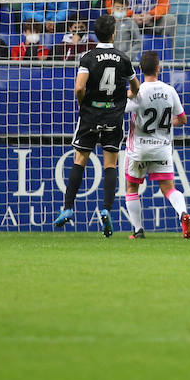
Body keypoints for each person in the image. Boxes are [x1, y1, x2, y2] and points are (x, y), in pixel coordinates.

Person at [52, 15, 139, 236]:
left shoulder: (87, 57)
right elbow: (135, 86)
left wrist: (84, 105)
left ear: (95, 34)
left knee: (80, 159)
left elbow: (79, 88)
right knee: (110, 164)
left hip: (91, 114)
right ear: (113, 34)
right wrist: (126, 96)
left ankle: (68, 208)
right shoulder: (122, 58)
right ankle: (106, 210)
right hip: (113, 116)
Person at [119, 51, 190, 239]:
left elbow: (120, 109)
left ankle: (138, 230)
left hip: (139, 150)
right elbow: (183, 119)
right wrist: (167, 123)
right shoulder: (170, 90)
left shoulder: (139, 92)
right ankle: (183, 213)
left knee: (132, 188)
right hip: (162, 149)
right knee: (169, 188)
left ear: (141, 69)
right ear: (158, 68)